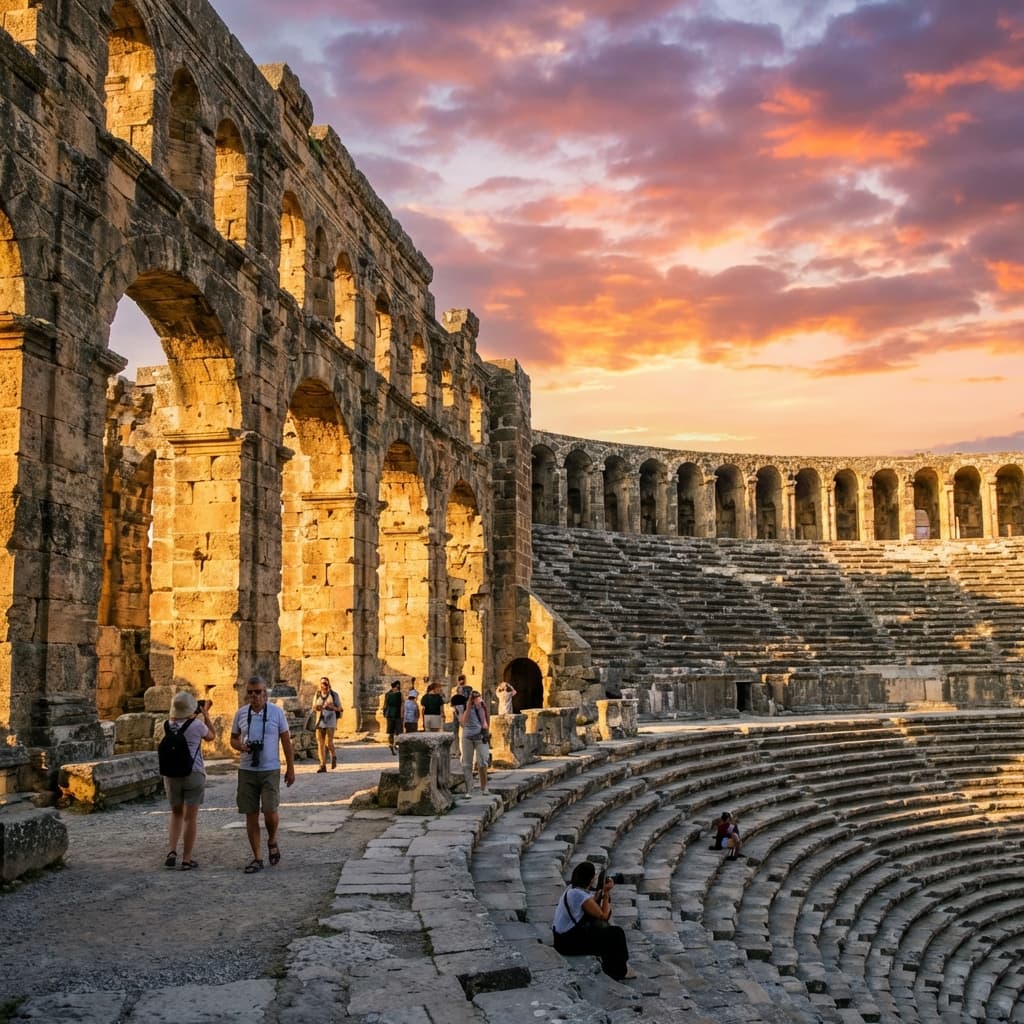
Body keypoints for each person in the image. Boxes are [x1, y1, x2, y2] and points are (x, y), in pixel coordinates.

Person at [230, 675, 296, 873]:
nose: (254, 696)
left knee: (270, 811)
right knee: (250, 814)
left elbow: (286, 741)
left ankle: (273, 839)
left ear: (265, 693)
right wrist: (240, 746)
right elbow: (233, 739)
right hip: (247, 769)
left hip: (270, 769)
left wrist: (290, 768)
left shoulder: (276, 713)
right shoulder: (241, 714)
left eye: (257, 692)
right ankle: (257, 857)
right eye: (250, 693)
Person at [551, 860, 634, 981]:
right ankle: (618, 972)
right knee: (616, 934)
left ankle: (610, 967)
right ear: (590, 880)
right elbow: (604, 915)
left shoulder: (571, 890)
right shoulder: (580, 895)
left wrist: (599, 894)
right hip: (567, 943)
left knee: (603, 933)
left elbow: (589, 905)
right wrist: (606, 893)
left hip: (560, 939)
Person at [162, 691, 215, 870]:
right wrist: (206, 713)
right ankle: (186, 859)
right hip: (193, 773)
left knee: (176, 814)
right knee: (190, 818)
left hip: (171, 775)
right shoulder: (197, 725)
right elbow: (211, 736)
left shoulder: (166, 725)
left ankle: (171, 851)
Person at [458, 689, 490, 797]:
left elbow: (486, 717)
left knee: (482, 762)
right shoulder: (460, 707)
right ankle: (469, 789)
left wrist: (486, 731)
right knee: (467, 764)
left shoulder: (480, 704)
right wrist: (468, 707)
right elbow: (463, 722)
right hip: (467, 737)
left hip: (480, 736)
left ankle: (484, 787)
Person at [312, 676, 341, 772]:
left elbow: (340, 709)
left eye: (325, 683)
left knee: (329, 743)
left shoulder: (334, 694)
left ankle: (333, 756)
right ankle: (322, 765)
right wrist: (318, 707)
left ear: (328, 684)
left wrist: (332, 707)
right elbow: (313, 707)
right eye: (322, 683)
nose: (324, 685)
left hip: (330, 721)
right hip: (320, 721)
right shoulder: (317, 694)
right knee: (320, 744)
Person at [449, 675, 471, 745]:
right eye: (460, 679)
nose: (461, 681)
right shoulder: (454, 689)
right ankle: (456, 749)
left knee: (463, 729)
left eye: (462, 679)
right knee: (456, 730)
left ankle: (463, 746)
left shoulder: (468, 689)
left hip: (463, 710)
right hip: (457, 711)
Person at [382, 680, 403, 753]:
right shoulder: (399, 694)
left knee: (390, 731)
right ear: (397, 686)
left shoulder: (387, 694)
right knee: (398, 730)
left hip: (389, 714)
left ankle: (391, 743)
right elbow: (401, 704)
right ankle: (395, 744)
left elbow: (385, 705)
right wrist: (402, 714)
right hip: (396, 714)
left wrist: (384, 713)